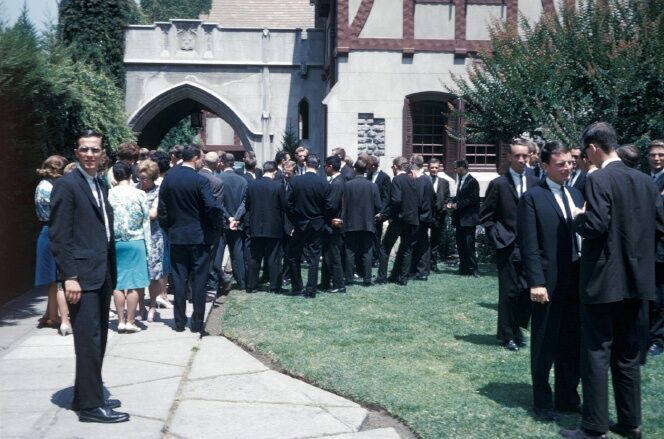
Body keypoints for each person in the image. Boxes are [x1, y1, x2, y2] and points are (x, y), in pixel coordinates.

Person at [561, 122, 664, 439]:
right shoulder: (645, 181)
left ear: (593, 149)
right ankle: (631, 424)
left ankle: (594, 428)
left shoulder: (599, 178)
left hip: (603, 282)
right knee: (628, 354)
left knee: (596, 353)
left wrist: (578, 216)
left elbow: (595, 225)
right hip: (638, 282)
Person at [49, 129, 128, 423]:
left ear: (102, 153)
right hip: (81, 276)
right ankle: (92, 408)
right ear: (76, 152)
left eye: (95, 150)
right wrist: (69, 276)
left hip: (101, 273)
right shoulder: (67, 186)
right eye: (85, 150)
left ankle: (85, 395)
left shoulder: (98, 184)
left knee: (97, 339)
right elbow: (60, 236)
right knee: (89, 341)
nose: (91, 155)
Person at [518, 141, 584, 422]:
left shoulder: (577, 194)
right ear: (545, 166)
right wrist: (536, 282)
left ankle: (568, 397)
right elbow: (529, 244)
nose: (568, 167)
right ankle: (543, 401)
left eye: (570, 162)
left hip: (577, 282)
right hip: (548, 283)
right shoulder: (533, 198)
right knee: (545, 343)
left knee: (572, 342)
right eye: (561, 164)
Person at [480, 139, 539, 351]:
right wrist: (498, 237)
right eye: (517, 156)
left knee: (526, 291)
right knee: (508, 292)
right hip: (507, 246)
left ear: (530, 157)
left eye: (525, 156)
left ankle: (518, 327)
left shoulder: (535, 181)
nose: (521, 159)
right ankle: (507, 335)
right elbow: (486, 216)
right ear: (509, 157)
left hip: (530, 246)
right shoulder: (498, 184)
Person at [158, 145, 222, 333]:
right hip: (199, 237)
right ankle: (196, 322)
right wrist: (213, 227)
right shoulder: (200, 180)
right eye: (201, 158)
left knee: (179, 280)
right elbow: (211, 206)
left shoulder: (169, 179)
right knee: (199, 280)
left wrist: (169, 229)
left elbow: (163, 209)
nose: (202, 161)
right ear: (195, 158)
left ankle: (179, 322)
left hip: (177, 236)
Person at [108, 162, 151, 333]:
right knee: (133, 283)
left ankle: (120, 320)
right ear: (130, 174)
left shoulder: (108, 194)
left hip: (116, 242)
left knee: (118, 283)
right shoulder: (139, 194)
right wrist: (148, 247)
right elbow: (146, 221)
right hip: (136, 240)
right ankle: (131, 321)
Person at [35, 155, 72, 336]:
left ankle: (51, 315)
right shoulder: (53, 189)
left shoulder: (41, 186)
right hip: (55, 232)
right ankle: (64, 320)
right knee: (60, 279)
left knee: (52, 280)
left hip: (45, 231)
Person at [287, 154, 328, 297]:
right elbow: (327, 205)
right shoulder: (323, 182)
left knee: (293, 256)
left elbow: (289, 203)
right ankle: (311, 290)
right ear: (318, 166)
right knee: (314, 257)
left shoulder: (296, 181)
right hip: (317, 223)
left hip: (300, 223)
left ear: (305, 164)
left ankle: (297, 287)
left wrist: (294, 219)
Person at [244, 161, 288, 293]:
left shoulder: (252, 185)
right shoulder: (278, 186)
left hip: (256, 226)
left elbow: (247, 205)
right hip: (274, 227)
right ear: (274, 171)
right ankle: (274, 286)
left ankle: (251, 285)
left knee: (255, 257)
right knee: (274, 258)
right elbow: (284, 206)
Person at [137, 159, 171, 323]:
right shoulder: (135, 190)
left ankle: (152, 305)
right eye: (140, 178)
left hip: (154, 236)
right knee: (138, 273)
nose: (142, 182)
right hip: (138, 236)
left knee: (154, 274)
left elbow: (153, 214)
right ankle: (141, 307)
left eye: (145, 179)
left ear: (152, 178)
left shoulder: (159, 191)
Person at [377, 157, 419, 285]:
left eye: (392, 167)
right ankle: (403, 278)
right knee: (406, 249)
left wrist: (388, 215)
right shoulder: (413, 180)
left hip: (399, 220)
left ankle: (382, 277)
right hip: (411, 220)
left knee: (385, 248)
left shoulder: (397, 179)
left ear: (396, 166)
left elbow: (396, 200)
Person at [342, 158, 381, 286]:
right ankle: (367, 279)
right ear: (366, 170)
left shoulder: (347, 185)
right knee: (367, 252)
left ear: (355, 169)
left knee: (350, 251)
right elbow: (378, 205)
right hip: (367, 223)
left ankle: (349, 279)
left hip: (351, 223)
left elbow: (344, 204)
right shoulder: (373, 186)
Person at [216, 152, 248, 291]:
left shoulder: (218, 179)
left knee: (217, 254)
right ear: (233, 163)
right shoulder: (243, 180)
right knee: (237, 254)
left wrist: (228, 217)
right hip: (237, 223)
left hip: (222, 223)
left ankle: (218, 281)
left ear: (222, 162)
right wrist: (236, 217)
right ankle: (242, 282)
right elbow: (245, 202)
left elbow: (218, 203)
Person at [197, 152, 227, 297]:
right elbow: (217, 207)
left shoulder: (194, 177)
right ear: (216, 164)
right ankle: (206, 285)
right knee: (208, 258)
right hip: (209, 227)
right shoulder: (217, 182)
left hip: (193, 223)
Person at [646, 139, 664, 357]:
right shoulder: (644, 179)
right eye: (653, 154)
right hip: (645, 247)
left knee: (660, 295)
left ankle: (658, 338)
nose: (657, 158)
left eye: (661, 154)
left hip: (661, 248)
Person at [448, 160, 480, 277]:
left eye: (456, 168)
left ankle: (474, 270)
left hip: (469, 220)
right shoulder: (461, 181)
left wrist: (458, 205)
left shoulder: (472, 181)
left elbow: (473, 199)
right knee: (461, 245)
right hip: (460, 220)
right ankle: (464, 268)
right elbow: (459, 196)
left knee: (469, 245)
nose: (455, 170)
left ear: (462, 167)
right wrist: (451, 202)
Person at [321, 155, 346, 292]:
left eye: (325, 166)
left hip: (333, 225)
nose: (324, 168)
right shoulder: (338, 181)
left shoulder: (337, 183)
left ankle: (339, 285)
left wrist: (320, 209)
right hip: (332, 224)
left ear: (330, 166)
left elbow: (331, 206)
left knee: (333, 255)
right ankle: (326, 282)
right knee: (327, 254)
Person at [410, 155, 434, 281]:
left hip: (420, 217)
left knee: (421, 245)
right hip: (424, 216)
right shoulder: (427, 180)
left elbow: (419, 201)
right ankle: (420, 270)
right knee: (422, 244)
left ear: (413, 163)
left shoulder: (421, 180)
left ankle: (421, 271)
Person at [428, 158, 450, 271]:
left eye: (436, 167)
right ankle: (421, 263)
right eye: (432, 167)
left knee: (435, 241)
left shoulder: (444, 182)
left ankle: (433, 263)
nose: (434, 170)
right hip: (426, 216)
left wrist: (445, 207)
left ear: (439, 168)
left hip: (438, 216)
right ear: (428, 168)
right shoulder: (424, 180)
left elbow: (447, 198)